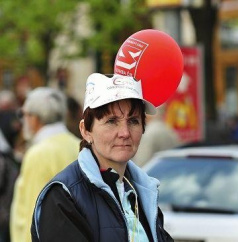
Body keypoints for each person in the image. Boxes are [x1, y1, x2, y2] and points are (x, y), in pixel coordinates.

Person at [31, 73, 173, 241]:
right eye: (111, 121)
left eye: (133, 121)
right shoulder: (63, 196)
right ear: (85, 130)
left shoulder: (143, 192)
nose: (125, 133)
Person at [10, 87, 80, 242]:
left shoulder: (39, 153)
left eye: (25, 115)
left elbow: (32, 213)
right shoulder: (78, 145)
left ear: (34, 118)